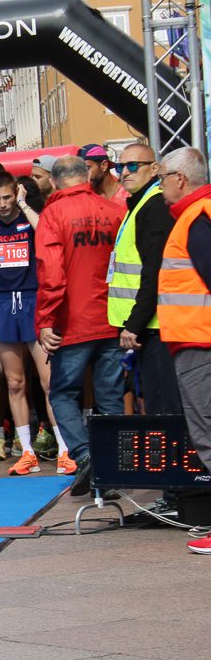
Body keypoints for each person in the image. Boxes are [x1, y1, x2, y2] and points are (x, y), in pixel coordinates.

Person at [0, 172, 73, 476]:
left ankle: (65, 450)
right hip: (2, 304)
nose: (3, 204)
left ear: (16, 193)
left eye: (7, 197)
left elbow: (49, 232)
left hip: (34, 302)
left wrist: (24, 204)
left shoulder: (28, 218)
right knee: (15, 382)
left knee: (50, 382)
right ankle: (27, 453)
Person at [35, 155, 126, 495]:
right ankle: (114, 468)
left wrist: (45, 319)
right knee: (111, 397)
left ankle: (86, 455)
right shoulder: (114, 210)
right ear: (86, 176)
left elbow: (52, 273)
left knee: (62, 393)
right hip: (112, 317)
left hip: (71, 321)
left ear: (57, 182)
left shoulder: (54, 214)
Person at [154, 148, 211, 553]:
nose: (159, 186)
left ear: (179, 179)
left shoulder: (197, 217)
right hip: (195, 341)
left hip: (201, 344)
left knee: (207, 431)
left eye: (161, 178)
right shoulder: (196, 216)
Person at [106, 143, 181, 416]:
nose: (124, 172)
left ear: (154, 168)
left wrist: (134, 324)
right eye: (120, 166)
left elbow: (154, 272)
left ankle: (173, 459)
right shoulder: (138, 204)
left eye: (133, 166)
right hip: (142, 326)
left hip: (153, 327)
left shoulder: (153, 207)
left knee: (163, 407)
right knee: (148, 400)